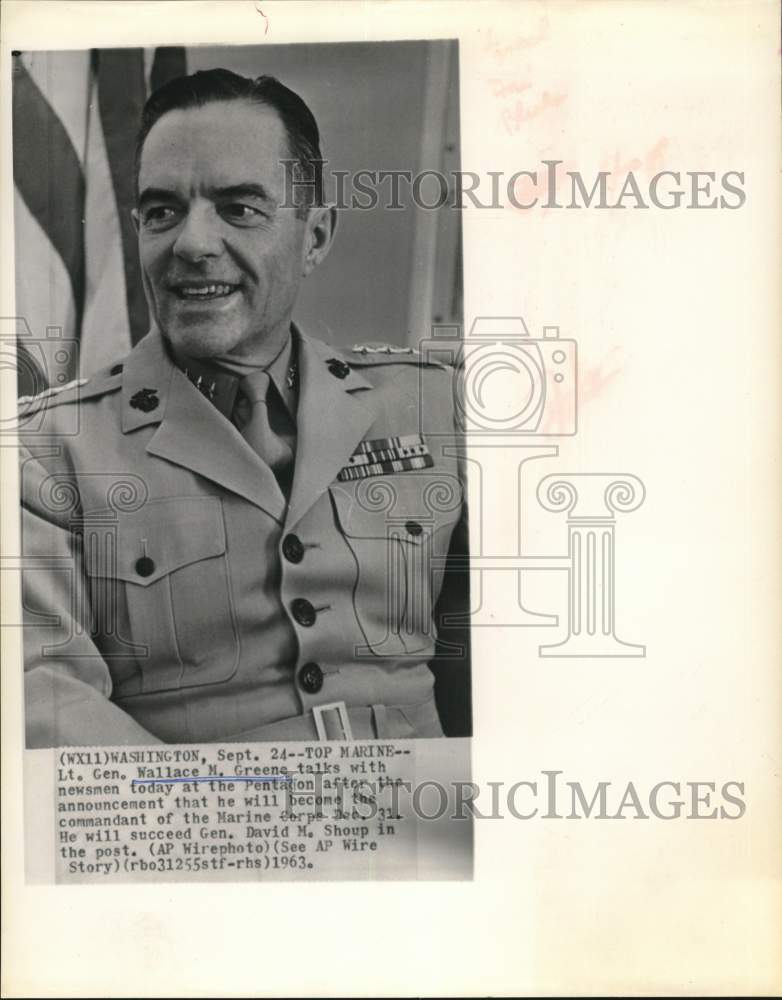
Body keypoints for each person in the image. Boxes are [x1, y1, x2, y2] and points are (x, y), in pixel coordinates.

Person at [18, 69, 469, 748]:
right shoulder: (48, 449)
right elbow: (44, 699)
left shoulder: (436, 406)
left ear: (314, 237)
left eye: (239, 208)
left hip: (429, 831)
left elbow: (505, 672)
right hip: (202, 835)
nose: (192, 245)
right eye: (163, 211)